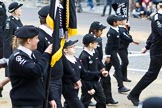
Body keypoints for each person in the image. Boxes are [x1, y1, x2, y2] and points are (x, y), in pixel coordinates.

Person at [127, 2, 162, 106]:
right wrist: (148, 46)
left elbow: (152, 34)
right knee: (151, 75)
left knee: (152, 75)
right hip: (158, 51)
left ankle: (133, 94)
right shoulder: (157, 18)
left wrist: (147, 46)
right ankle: (133, 94)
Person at [9, 25, 52, 108]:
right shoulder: (18, 57)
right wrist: (46, 54)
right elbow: (37, 71)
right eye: (36, 38)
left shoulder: (35, 54)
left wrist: (50, 97)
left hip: (37, 101)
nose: (38, 40)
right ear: (29, 40)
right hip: (25, 103)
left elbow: (44, 77)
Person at [62, 39, 108, 108]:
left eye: (74, 45)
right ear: (65, 50)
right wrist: (89, 87)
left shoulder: (76, 60)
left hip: (75, 90)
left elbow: (84, 74)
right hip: (68, 89)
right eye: (71, 46)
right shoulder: (63, 62)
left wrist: (100, 74)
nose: (74, 47)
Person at [37, 5, 62, 108]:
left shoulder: (54, 34)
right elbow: (40, 62)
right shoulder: (39, 36)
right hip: (49, 80)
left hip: (58, 77)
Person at [89, 21, 118, 105]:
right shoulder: (90, 39)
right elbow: (94, 55)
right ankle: (87, 99)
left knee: (106, 78)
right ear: (95, 30)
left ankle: (108, 98)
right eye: (100, 30)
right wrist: (101, 66)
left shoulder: (98, 38)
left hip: (98, 62)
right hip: (93, 64)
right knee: (89, 81)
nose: (102, 32)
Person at [0, 1, 23, 97]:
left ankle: (0, 85)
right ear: (14, 11)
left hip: (18, 50)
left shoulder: (17, 20)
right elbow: (6, 40)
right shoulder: (9, 22)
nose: (21, 10)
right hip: (13, 53)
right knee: (14, 75)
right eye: (19, 9)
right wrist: (7, 56)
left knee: (15, 74)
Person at [79, 34, 108, 108]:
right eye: (95, 42)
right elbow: (84, 74)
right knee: (85, 101)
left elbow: (98, 61)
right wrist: (89, 87)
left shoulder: (94, 51)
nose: (97, 43)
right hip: (87, 82)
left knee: (102, 100)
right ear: (90, 44)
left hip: (96, 80)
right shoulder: (84, 57)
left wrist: (102, 68)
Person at [105, 15, 130, 93]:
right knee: (118, 68)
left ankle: (98, 81)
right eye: (118, 21)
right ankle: (121, 86)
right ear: (114, 23)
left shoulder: (117, 29)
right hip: (112, 52)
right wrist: (108, 56)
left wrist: (131, 40)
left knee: (106, 69)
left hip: (114, 51)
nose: (120, 21)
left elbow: (124, 35)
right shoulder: (111, 32)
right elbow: (108, 45)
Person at [118, 16, 139, 82]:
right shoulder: (120, 29)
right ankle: (117, 74)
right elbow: (126, 36)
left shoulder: (124, 28)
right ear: (121, 22)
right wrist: (133, 41)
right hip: (120, 48)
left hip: (124, 47)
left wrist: (128, 27)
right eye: (125, 20)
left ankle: (124, 76)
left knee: (125, 62)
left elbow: (127, 33)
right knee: (125, 62)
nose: (126, 21)